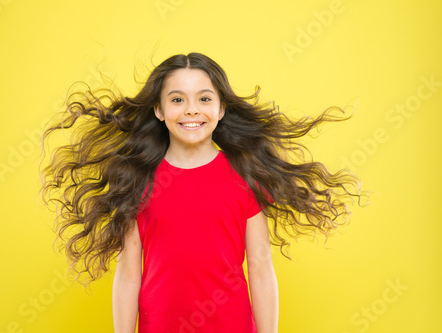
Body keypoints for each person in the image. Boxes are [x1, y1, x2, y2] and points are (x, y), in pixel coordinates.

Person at [39, 52, 365, 332]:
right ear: (159, 110)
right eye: (177, 99)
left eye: (204, 99)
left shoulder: (245, 176)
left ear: (221, 109)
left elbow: (261, 267)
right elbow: (127, 275)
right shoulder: (137, 180)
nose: (192, 110)